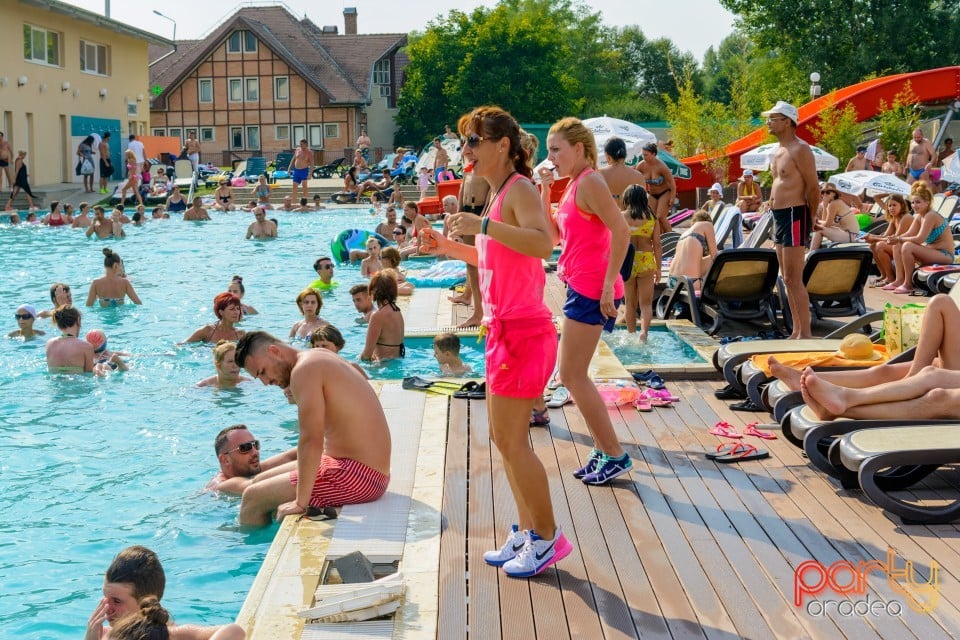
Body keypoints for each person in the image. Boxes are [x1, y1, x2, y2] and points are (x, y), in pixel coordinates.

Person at [419, 105, 570, 578]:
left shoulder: (519, 189)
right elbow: (494, 255)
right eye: (465, 141)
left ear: (501, 146)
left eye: (473, 141)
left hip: (523, 331)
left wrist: (482, 225)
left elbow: (543, 244)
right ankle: (528, 531)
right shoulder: (499, 192)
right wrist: (446, 248)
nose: (466, 150)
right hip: (506, 330)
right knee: (505, 440)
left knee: (511, 440)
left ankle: (548, 539)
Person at [537, 116, 631, 486]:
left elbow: (622, 230)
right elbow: (553, 236)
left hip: (594, 288)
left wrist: (609, 285)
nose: (551, 157)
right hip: (581, 285)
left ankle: (615, 454)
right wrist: (544, 190)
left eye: (556, 149)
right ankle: (604, 447)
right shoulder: (573, 184)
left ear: (579, 148)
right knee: (575, 375)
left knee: (572, 375)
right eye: (549, 150)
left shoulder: (590, 181)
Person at [233, 331, 391, 526]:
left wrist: (301, 502)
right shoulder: (317, 356)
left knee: (253, 498)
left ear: (274, 351)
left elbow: (311, 440)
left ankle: (252, 549)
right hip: (364, 470)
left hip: (358, 477)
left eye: (262, 372)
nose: (266, 382)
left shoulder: (304, 370)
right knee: (258, 481)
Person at [84, 545, 244, 640]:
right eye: (106, 598)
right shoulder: (102, 635)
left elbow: (234, 631)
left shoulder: (173, 635)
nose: (106, 609)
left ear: (146, 601)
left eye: (117, 601)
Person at [763, 101, 819, 339]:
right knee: (785, 278)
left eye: (773, 118)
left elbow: (813, 187)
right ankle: (796, 330)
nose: (768, 122)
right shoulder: (777, 151)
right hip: (779, 215)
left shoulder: (801, 149)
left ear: (787, 121)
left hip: (795, 213)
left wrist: (813, 216)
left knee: (794, 277)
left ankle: (805, 334)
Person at [884, 181, 953, 294]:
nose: (914, 205)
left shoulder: (930, 215)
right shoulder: (919, 216)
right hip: (932, 252)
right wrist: (895, 238)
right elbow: (909, 234)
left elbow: (919, 239)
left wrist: (899, 238)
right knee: (898, 245)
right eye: (912, 202)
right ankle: (899, 280)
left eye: (918, 202)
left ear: (927, 202)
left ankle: (908, 284)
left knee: (907, 246)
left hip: (945, 255)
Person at [447, 159, 491, 325]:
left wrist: (483, 219)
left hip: (479, 211)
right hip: (466, 208)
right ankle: (467, 296)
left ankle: (478, 313)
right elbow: (462, 187)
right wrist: (457, 213)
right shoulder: (469, 163)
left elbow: (490, 192)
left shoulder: (487, 164)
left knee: (475, 263)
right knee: (469, 261)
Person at [621, 184, 661, 341]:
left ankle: (631, 335)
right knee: (645, 304)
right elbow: (657, 244)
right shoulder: (652, 218)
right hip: (646, 261)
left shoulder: (622, 216)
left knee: (630, 303)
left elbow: (613, 240)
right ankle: (644, 333)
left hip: (627, 260)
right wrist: (658, 268)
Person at [206, 424, 296, 493]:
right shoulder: (223, 485)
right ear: (225, 459)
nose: (255, 452)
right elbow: (256, 485)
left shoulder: (245, 469)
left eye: (255, 445)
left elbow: (288, 457)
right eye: (245, 447)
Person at [864, 194, 912, 287]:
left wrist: (873, 237)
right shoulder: (894, 218)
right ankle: (884, 275)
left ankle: (890, 278)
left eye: (894, 205)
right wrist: (869, 236)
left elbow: (895, 239)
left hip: (905, 248)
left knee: (880, 245)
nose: (891, 208)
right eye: (889, 206)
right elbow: (886, 235)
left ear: (902, 205)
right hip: (898, 246)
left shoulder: (906, 217)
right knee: (873, 245)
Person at [360, 270, 405, 361]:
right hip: (398, 361)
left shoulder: (378, 316)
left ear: (374, 291)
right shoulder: (397, 310)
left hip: (383, 366)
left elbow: (367, 355)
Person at [637, 142, 676, 233]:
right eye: (643, 155)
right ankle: (659, 238)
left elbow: (671, 182)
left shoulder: (661, 166)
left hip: (665, 192)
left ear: (654, 154)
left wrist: (672, 197)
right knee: (651, 218)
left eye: (646, 155)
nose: (644, 157)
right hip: (652, 194)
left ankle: (671, 238)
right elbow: (635, 179)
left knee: (661, 217)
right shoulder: (641, 165)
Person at [810, 182, 861, 249]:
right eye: (823, 193)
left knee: (819, 229)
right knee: (819, 227)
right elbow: (825, 221)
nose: (824, 195)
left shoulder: (834, 204)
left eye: (828, 192)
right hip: (850, 234)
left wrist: (817, 222)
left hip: (851, 235)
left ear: (834, 194)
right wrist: (825, 206)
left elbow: (827, 224)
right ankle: (812, 253)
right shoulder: (832, 203)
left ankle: (811, 254)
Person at [46, 305, 94, 373]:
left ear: (59, 325)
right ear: (78, 320)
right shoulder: (86, 347)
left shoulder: (49, 344)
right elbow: (89, 374)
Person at [599, 137, 644, 204]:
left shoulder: (599, 174)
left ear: (608, 156)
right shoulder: (638, 176)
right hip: (629, 213)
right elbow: (641, 203)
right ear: (625, 155)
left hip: (605, 213)